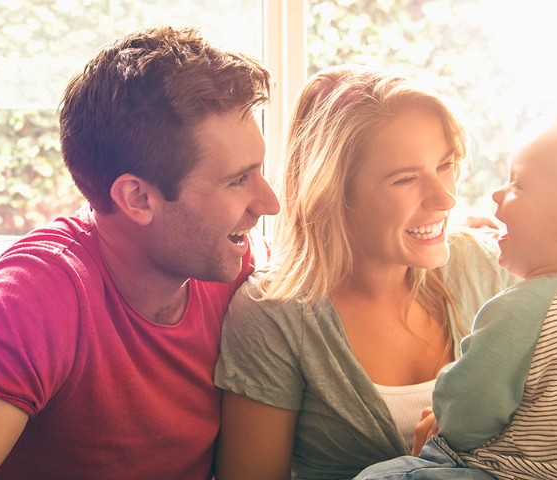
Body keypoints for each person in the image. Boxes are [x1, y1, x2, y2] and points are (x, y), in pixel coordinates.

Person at [0, 26, 279, 479]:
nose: (268, 203)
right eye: (237, 180)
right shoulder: (35, 297)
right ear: (137, 198)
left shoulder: (235, 268)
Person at [213, 65, 517, 479]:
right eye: (406, 179)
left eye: (444, 165)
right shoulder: (274, 313)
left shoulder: (489, 266)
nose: (445, 198)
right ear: (333, 193)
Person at [354, 110, 557, 479]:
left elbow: (468, 412)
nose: (496, 193)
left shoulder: (524, 309)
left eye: (517, 185)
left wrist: (442, 421)